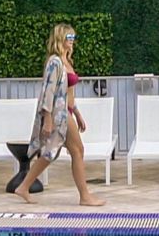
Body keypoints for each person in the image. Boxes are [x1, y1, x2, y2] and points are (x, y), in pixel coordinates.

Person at [14, 23, 105, 206]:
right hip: (58, 114)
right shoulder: (54, 62)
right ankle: (85, 196)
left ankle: (23, 186)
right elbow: (48, 91)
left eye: (73, 38)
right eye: (69, 37)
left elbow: (69, 93)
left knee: (52, 153)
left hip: (67, 112)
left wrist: (77, 113)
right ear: (60, 38)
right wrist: (47, 118)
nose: (72, 41)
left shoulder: (67, 61)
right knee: (77, 150)